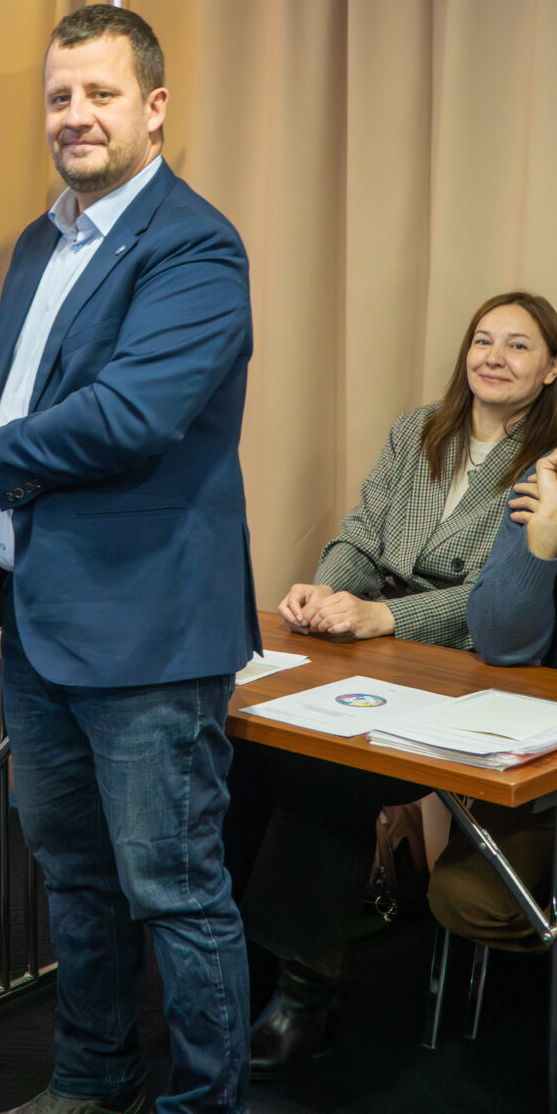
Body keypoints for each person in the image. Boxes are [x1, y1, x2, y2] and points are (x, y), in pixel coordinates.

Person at [0, 3, 259, 1114]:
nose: (75, 115)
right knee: (75, 881)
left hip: (147, 635)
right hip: (37, 621)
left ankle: (204, 1104)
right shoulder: (43, 242)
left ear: (155, 107)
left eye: (99, 93)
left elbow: (130, 417)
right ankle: (92, 1078)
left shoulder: (195, 245)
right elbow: (21, 404)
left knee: (174, 890)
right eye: (58, 96)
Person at [234, 290, 557, 1079]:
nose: (494, 357)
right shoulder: (418, 430)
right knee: (250, 751)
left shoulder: (547, 465)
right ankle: (241, 966)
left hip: (476, 666)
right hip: (372, 648)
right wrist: (326, 591)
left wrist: (383, 615)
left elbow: (495, 602)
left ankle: (304, 996)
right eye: (483, 340)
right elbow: (360, 533)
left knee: (329, 773)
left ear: (552, 370)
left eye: (518, 346)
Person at [427, 446, 557, 947]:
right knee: (466, 896)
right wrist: (542, 543)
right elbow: (499, 642)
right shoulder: (544, 479)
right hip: (545, 763)